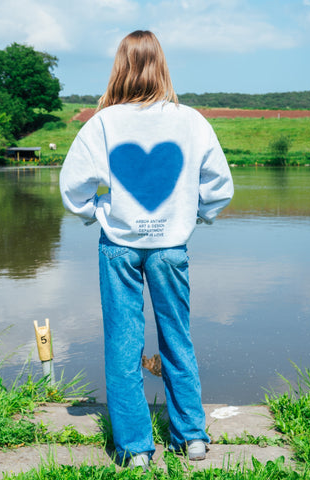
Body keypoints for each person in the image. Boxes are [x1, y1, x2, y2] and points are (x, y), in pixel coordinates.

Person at [60, 30, 234, 470]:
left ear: (120, 66)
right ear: (162, 66)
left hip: (118, 245)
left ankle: (136, 448)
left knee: (122, 344)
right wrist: (189, 215)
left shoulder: (102, 123)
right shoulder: (191, 121)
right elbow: (218, 189)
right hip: (171, 248)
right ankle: (191, 438)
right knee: (177, 338)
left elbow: (72, 190)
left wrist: (98, 209)